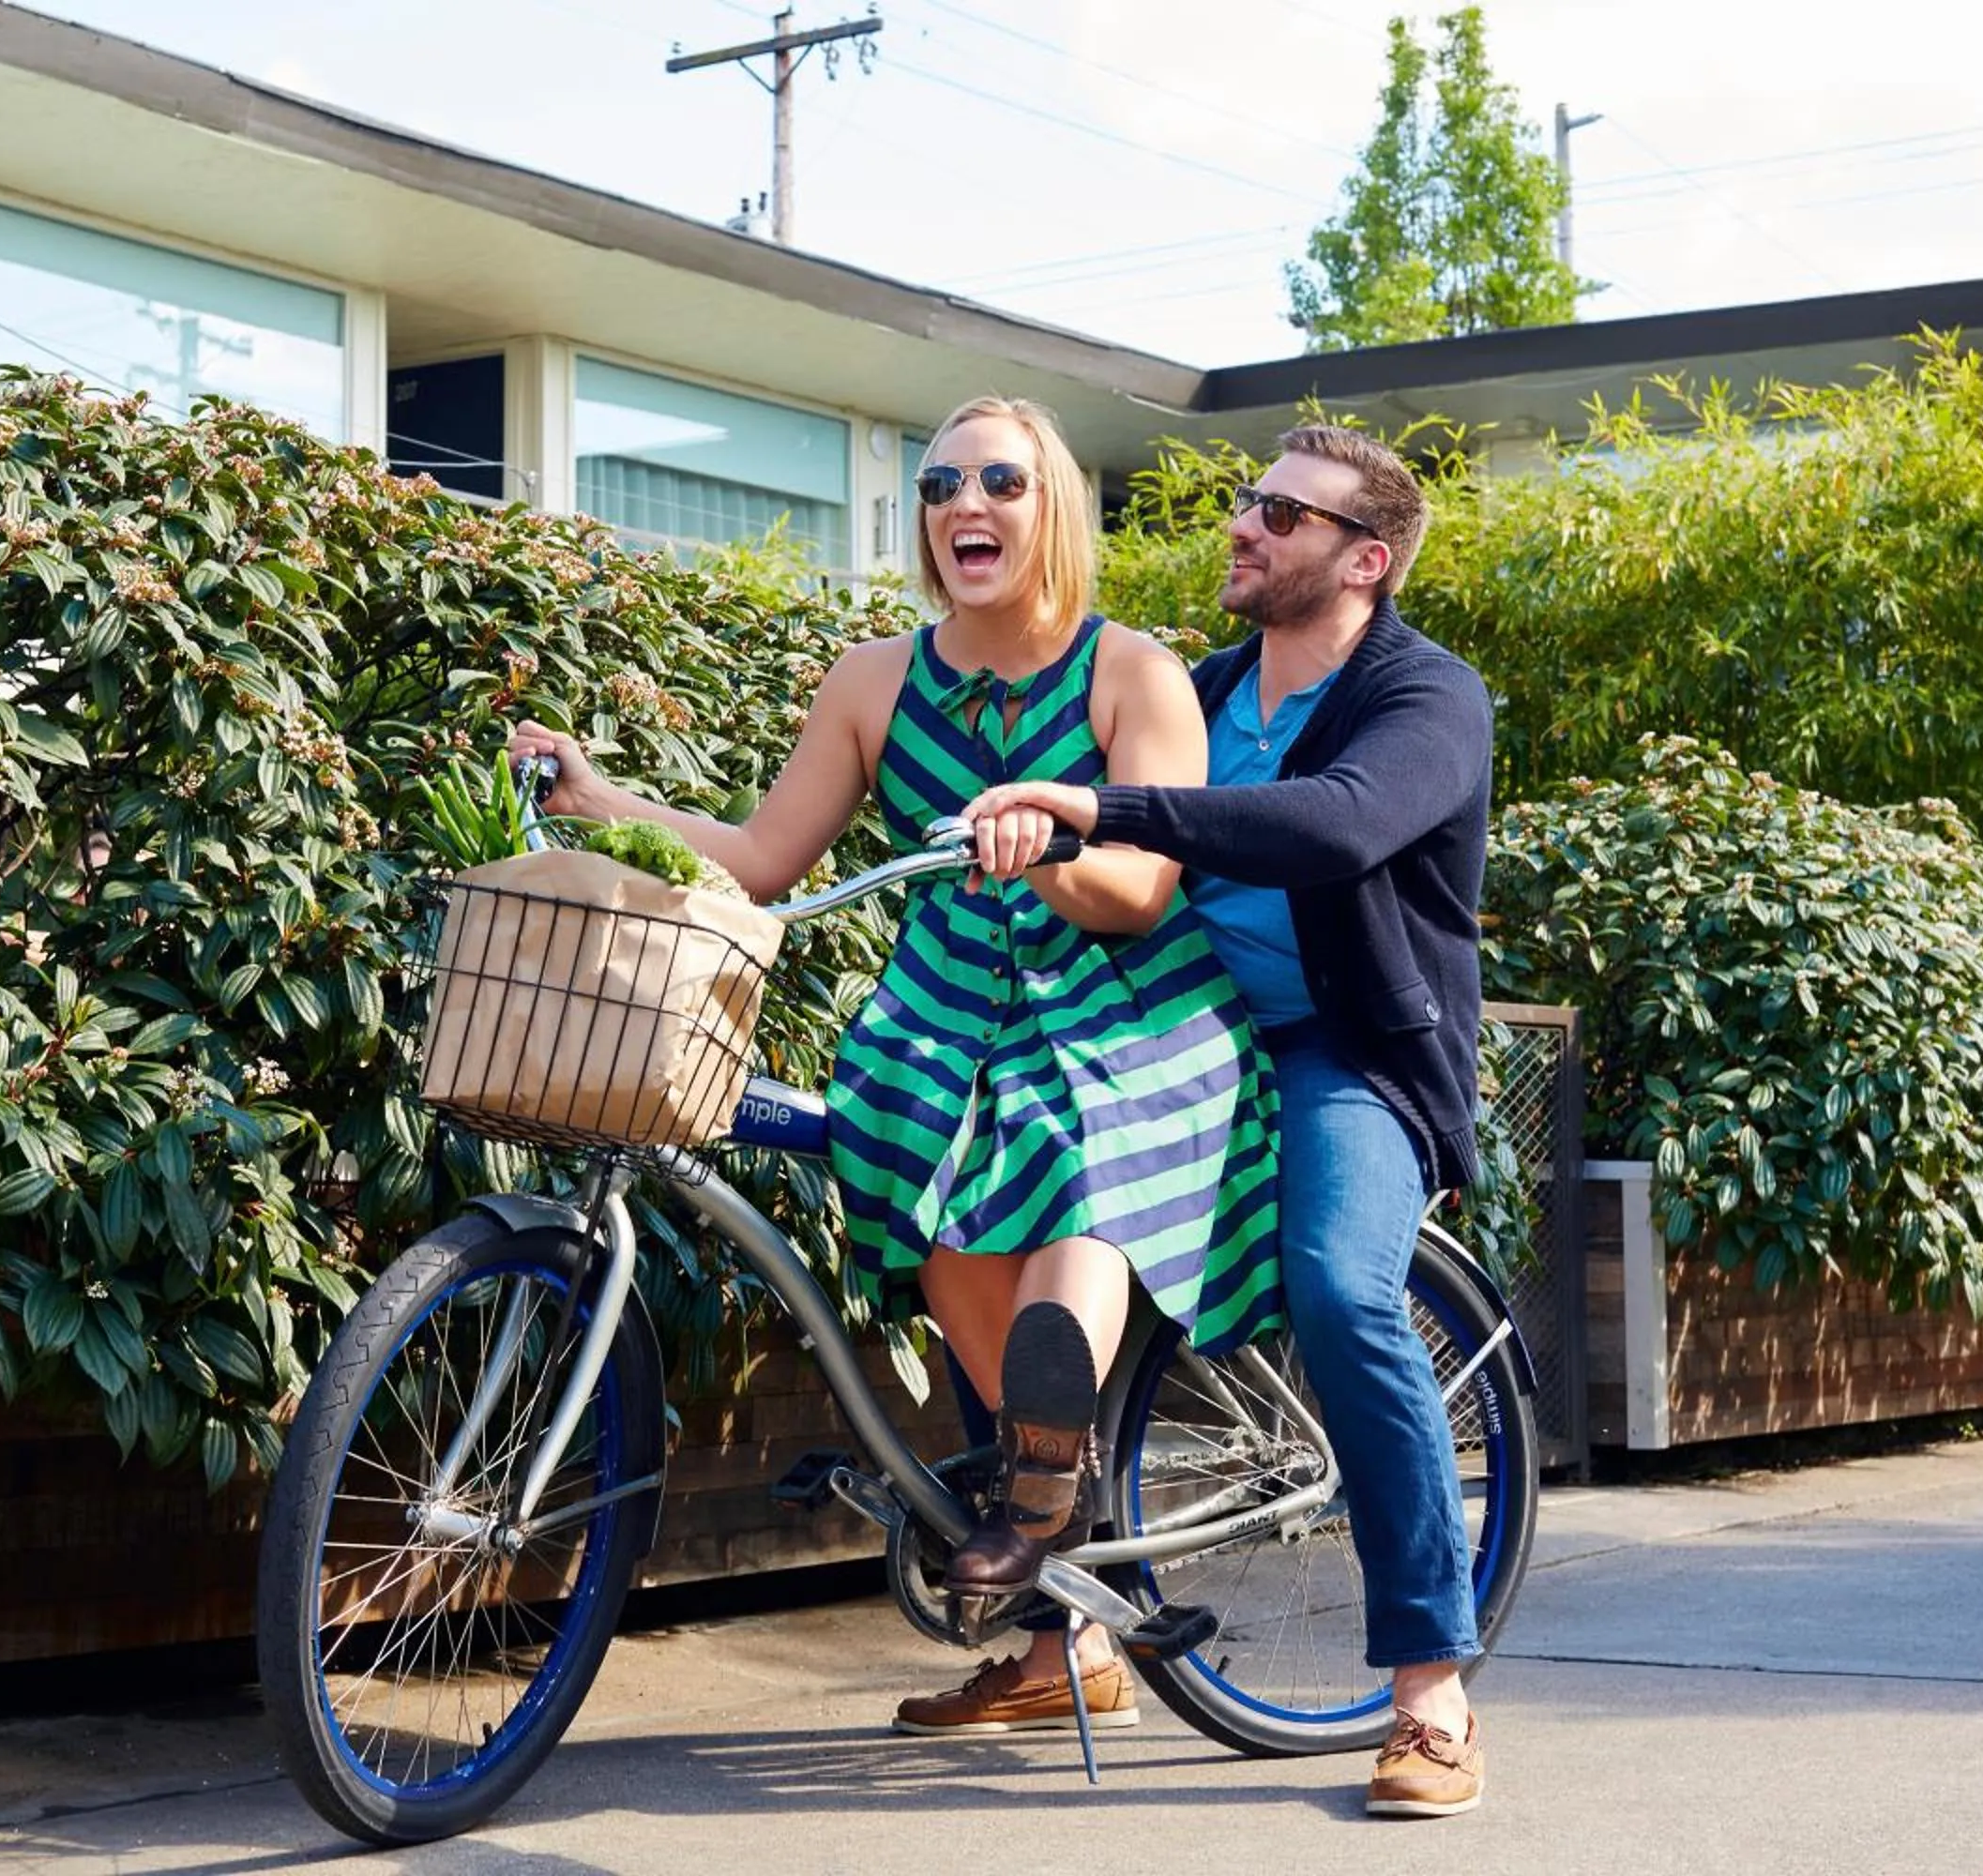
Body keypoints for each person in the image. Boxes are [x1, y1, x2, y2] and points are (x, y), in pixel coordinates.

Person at [507, 395, 1280, 1739]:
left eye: (999, 481)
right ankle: (1057, 1569)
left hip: (1124, 1003)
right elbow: (759, 862)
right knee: (890, 1135)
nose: (964, 506)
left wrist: (1047, 840)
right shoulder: (873, 682)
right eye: (939, 487)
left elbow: (1148, 889)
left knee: (1067, 1141)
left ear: (1052, 511)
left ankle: (1044, 1485)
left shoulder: (1131, 673)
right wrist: (607, 802)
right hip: (944, 1006)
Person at [964, 424, 1495, 1819]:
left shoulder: (1426, 697)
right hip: (1172, 1037)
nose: (1242, 527)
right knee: (977, 1216)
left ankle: (1431, 1691)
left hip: (1345, 1056)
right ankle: (1055, 1640)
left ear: (1363, 560)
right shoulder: (1196, 691)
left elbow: (1331, 827)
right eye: (1246, 504)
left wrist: (1097, 802)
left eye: (1280, 512)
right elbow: (1108, 852)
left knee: (1339, 1287)